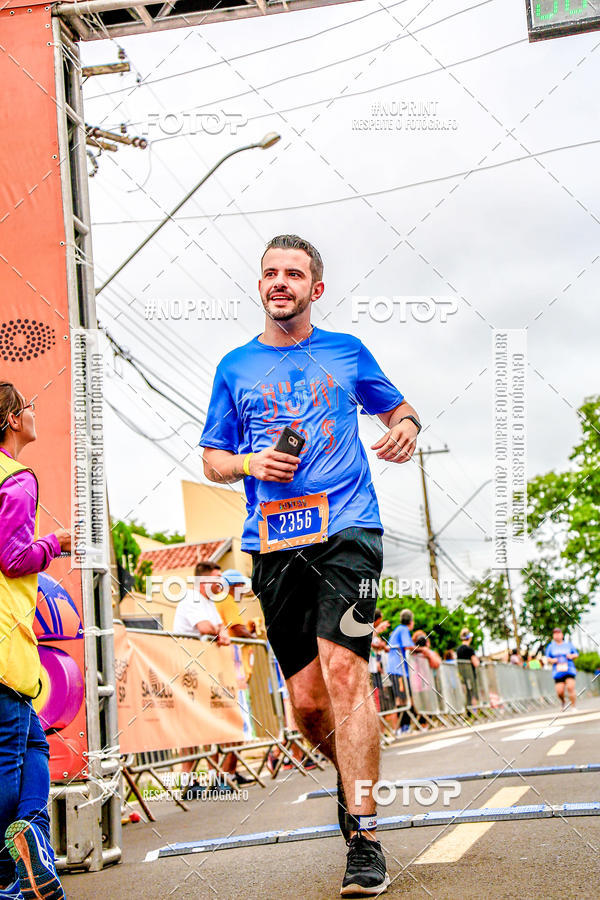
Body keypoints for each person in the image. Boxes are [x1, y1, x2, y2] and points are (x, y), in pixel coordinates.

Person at [201, 234, 420, 896]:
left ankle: (365, 832)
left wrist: (406, 426)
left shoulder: (347, 353)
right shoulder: (234, 367)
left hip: (350, 533)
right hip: (273, 543)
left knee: (347, 671)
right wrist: (248, 463)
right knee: (306, 703)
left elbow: (398, 408)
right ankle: (352, 777)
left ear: (314, 289)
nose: (280, 281)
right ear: (261, 285)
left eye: (293, 273)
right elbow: (212, 457)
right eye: (270, 272)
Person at [0, 382, 69, 900]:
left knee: (31, 743)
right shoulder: (18, 479)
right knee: (12, 753)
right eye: (25, 406)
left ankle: (31, 846)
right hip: (7, 643)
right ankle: (11, 865)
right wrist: (54, 544)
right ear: (10, 419)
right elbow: (15, 557)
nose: (33, 412)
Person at [172, 561, 231, 645]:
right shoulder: (191, 597)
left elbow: (221, 626)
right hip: (188, 653)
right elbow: (205, 628)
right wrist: (220, 632)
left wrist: (221, 632)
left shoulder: (209, 601)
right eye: (217, 578)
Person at [545, 628, 578, 709]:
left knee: (570, 687)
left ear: (562, 635)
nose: (557, 635)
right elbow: (547, 658)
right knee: (560, 692)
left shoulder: (568, 645)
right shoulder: (550, 646)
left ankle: (573, 706)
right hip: (558, 671)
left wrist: (571, 656)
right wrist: (552, 660)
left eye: (558, 633)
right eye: (555, 634)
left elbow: (576, 654)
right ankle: (563, 701)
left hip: (569, 669)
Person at [456, 628, 480, 711]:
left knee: (467, 693)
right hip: (470, 674)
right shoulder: (469, 649)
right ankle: (474, 711)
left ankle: (468, 712)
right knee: (473, 693)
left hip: (462, 675)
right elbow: (476, 663)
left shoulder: (458, 650)